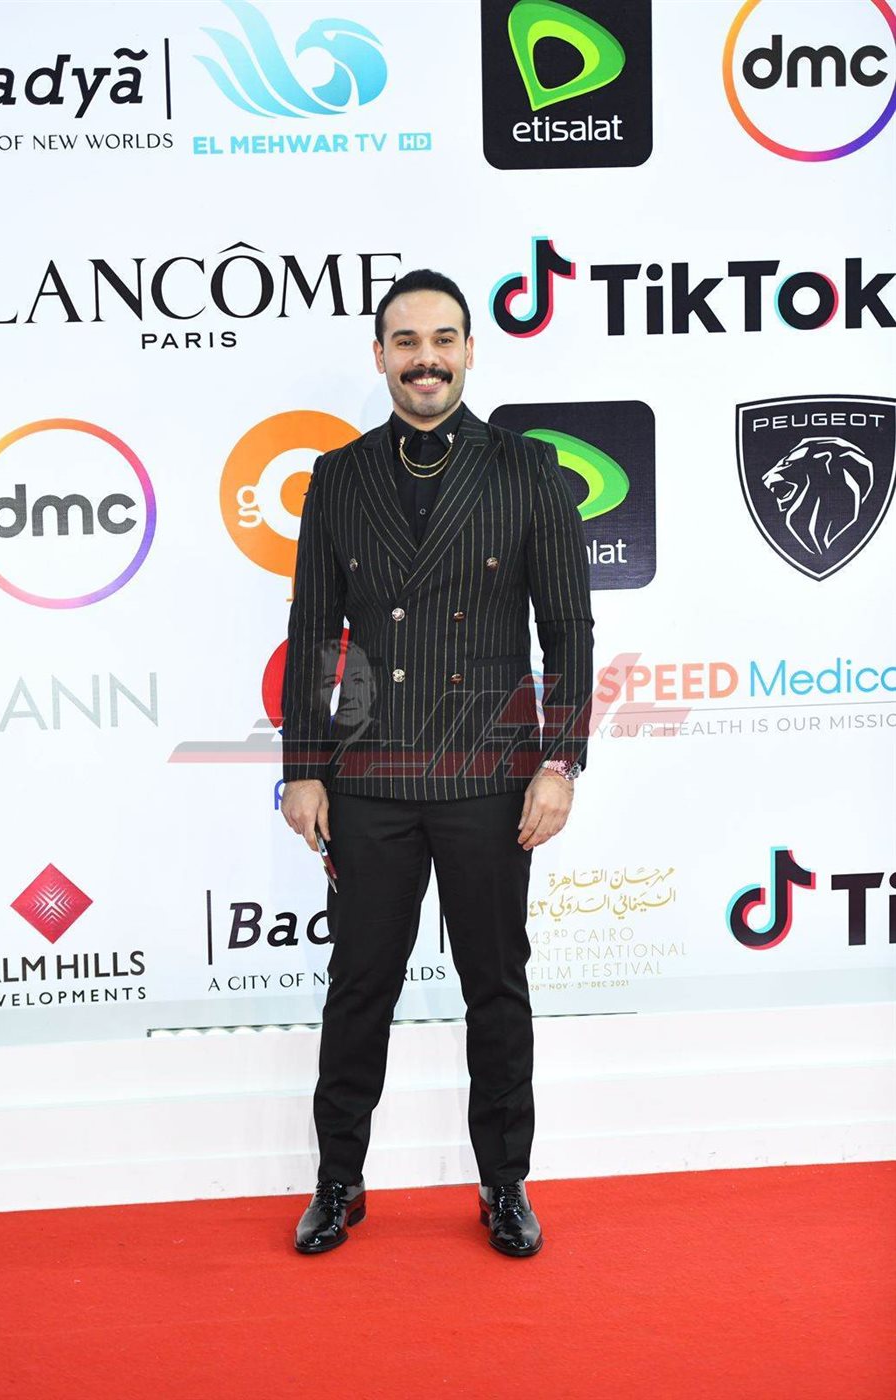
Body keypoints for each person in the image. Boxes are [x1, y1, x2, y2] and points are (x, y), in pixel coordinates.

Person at [280, 268, 594, 1257]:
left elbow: (568, 629)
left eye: (443, 339)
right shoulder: (339, 476)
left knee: (495, 986)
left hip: (491, 777)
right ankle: (338, 1180)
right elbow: (311, 629)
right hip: (369, 776)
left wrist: (562, 760)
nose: (426, 359)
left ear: (469, 350)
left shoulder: (528, 470)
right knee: (358, 986)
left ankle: (504, 1183)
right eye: (407, 341)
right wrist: (304, 764)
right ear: (379, 355)